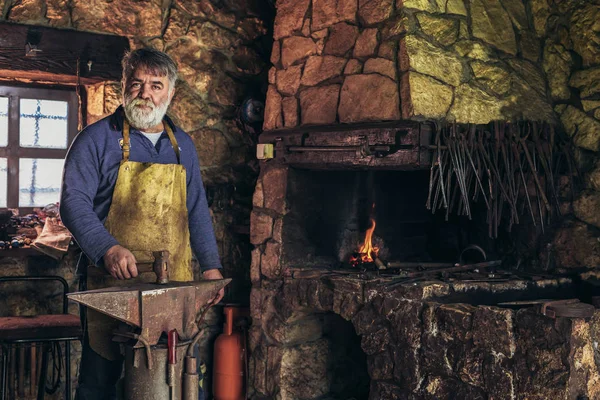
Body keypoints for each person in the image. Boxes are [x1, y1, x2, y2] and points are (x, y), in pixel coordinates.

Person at [60, 48, 225, 400]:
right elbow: (73, 203)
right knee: (98, 383)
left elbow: (196, 209)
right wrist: (107, 248)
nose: (145, 93)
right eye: (136, 83)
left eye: (155, 84)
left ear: (170, 92)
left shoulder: (184, 148)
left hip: (171, 288)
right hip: (111, 287)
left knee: (168, 381)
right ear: (124, 86)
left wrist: (211, 267)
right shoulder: (95, 140)